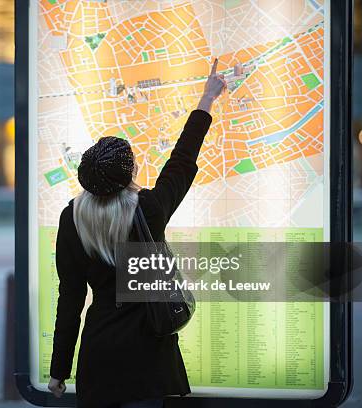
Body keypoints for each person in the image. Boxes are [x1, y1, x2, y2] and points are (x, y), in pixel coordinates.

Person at [48, 59, 227, 408]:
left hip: (99, 358)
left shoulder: (72, 219)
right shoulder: (148, 210)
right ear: (129, 173)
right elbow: (182, 160)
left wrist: (59, 370)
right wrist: (207, 100)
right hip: (149, 357)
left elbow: (70, 300)